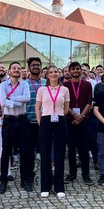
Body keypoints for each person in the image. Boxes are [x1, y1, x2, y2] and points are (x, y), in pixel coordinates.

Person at [35, 66, 70, 198]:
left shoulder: (65, 89)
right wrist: (40, 121)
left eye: (56, 71)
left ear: (59, 73)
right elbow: (37, 107)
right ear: (47, 75)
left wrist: (58, 114)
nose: (53, 74)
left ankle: (59, 186)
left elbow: (66, 108)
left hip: (60, 121)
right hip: (45, 120)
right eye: (51, 72)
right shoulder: (42, 89)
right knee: (45, 155)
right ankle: (45, 186)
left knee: (60, 154)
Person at [0, 62, 31, 194]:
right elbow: (3, 102)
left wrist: (11, 98)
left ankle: (25, 180)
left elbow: (27, 98)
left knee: (25, 151)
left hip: (22, 120)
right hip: (9, 120)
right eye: (14, 68)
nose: (16, 70)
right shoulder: (3, 85)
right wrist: (17, 101)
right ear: (9, 71)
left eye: (18, 68)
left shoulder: (25, 84)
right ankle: (3, 181)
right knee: (6, 151)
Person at [63, 61, 93, 185]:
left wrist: (81, 116)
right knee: (71, 149)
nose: (76, 71)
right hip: (69, 120)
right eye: (73, 69)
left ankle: (86, 174)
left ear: (81, 71)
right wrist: (74, 114)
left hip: (84, 120)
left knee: (84, 149)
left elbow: (89, 102)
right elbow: (65, 103)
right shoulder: (65, 85)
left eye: (78, 68)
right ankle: (72, 174)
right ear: (69, 71)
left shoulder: (87, 85)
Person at [25, 57, 46, 186]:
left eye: (38, 65)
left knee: (45, 150)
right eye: (33, 65)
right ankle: (28, 176)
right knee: (28, 151)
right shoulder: (24, 84)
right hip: (28, 122)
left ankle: (46, 176)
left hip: (45, 122)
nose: (36, 67)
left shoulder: (47, 83)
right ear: (29, 68)